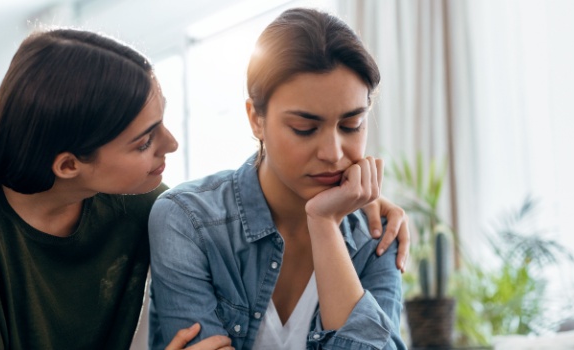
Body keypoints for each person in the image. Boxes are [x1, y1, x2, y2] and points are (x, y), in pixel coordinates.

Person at [0, 27, 408, 349]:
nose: (172, 144)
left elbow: (228, 205)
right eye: (144, 141)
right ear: (69, 165)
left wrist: (342, 208)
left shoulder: (145, 207)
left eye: (350, 124)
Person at [148, 7, 407, 350]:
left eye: (351, 126)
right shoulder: (188, 221)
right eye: (304, 128)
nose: (332, 152)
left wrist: (325, 223)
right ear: (256, 119)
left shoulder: (376, 237)